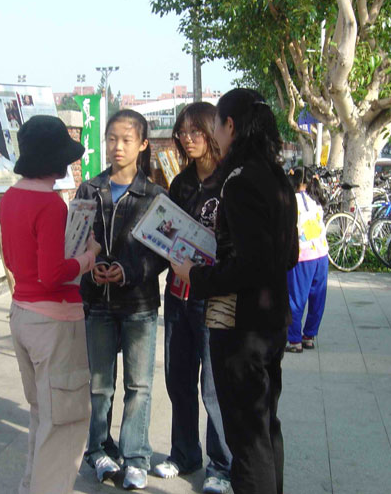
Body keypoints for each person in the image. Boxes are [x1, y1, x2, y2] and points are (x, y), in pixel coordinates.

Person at [172, 89, 298, 494]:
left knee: (246, 439)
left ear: (229, 126)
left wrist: (197, 275)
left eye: (215, 126)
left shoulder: (239, 181)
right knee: (265, 427)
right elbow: (289, 254)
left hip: (242, 327)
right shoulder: (277, 175)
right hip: (273, 321)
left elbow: (250, 265)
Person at [0, 115, 101, 494]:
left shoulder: (10, 198)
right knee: (64, 422)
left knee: (43, 413)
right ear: (54, 160)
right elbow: (53, 274)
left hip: (22, 312)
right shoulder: (51, 205)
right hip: (54, 320)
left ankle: (31, 487)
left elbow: (20, 261)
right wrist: (88, 257)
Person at [77, 110, 168, 490]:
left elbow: (163, 252)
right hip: (97, 302)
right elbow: (75, 240)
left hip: (139, 305)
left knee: (139, 385)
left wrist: (128, 271)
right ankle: (98, 450)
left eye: (127, 140)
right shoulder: (89, 190)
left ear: (143, 144)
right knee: (100, 385)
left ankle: (135, 457)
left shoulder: (155, 196)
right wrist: (91, 267)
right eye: (112, 138)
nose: (118, 147)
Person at [153, 102, 232, 494]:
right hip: (177, 294)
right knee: (178, 377)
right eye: (182, 132)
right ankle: (185, 453)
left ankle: (222, 466)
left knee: (214, 387)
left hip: (213, 297)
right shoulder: (181, 183)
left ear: (212, 130)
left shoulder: (229, 181)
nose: (187, 139)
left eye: (195, 131)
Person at [285, 167, 329, 353]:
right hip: (321, 254)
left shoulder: (290, 201)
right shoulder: (316, 200)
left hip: (302, 256)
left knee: (296, 299)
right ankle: (309, 336)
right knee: (317, 298)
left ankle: (294, 340)